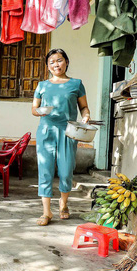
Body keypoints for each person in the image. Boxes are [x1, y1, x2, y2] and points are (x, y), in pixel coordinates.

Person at [31, 49, 90, 226]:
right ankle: (46, 212)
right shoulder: (42, 85)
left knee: (66, 171)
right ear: (47, 66)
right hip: (46, 131)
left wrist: (85, 117)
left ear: (66, 62)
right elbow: (34, 109)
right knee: (45, 170)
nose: (56, 64)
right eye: (52, 62)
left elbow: (84, 108)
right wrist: (39, 111)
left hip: (69, 131)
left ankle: (63, 203)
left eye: (59, 60)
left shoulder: (76, 84)